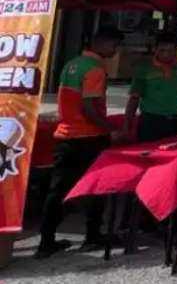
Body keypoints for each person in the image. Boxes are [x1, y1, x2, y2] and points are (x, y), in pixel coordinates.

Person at [36, 27, 123, 259]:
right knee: (97, 187)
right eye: (114, 46)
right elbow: (89, 108)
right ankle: (93, 236)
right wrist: (110, 129)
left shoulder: (71, 64)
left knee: (57, 190)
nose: (115, 51)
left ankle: (46, 241)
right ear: (101, 43)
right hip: (89, 137)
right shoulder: (95, 69)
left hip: (66, 136)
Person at [125, 32, 177, 143]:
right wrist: (127, 124)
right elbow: (134, 98)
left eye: (170, 51)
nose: (166, 54)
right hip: (149, 120)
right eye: (162, 50)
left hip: (174, 119)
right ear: (155, 49)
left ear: (176, 50)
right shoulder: (144, 67)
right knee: (147, 151)